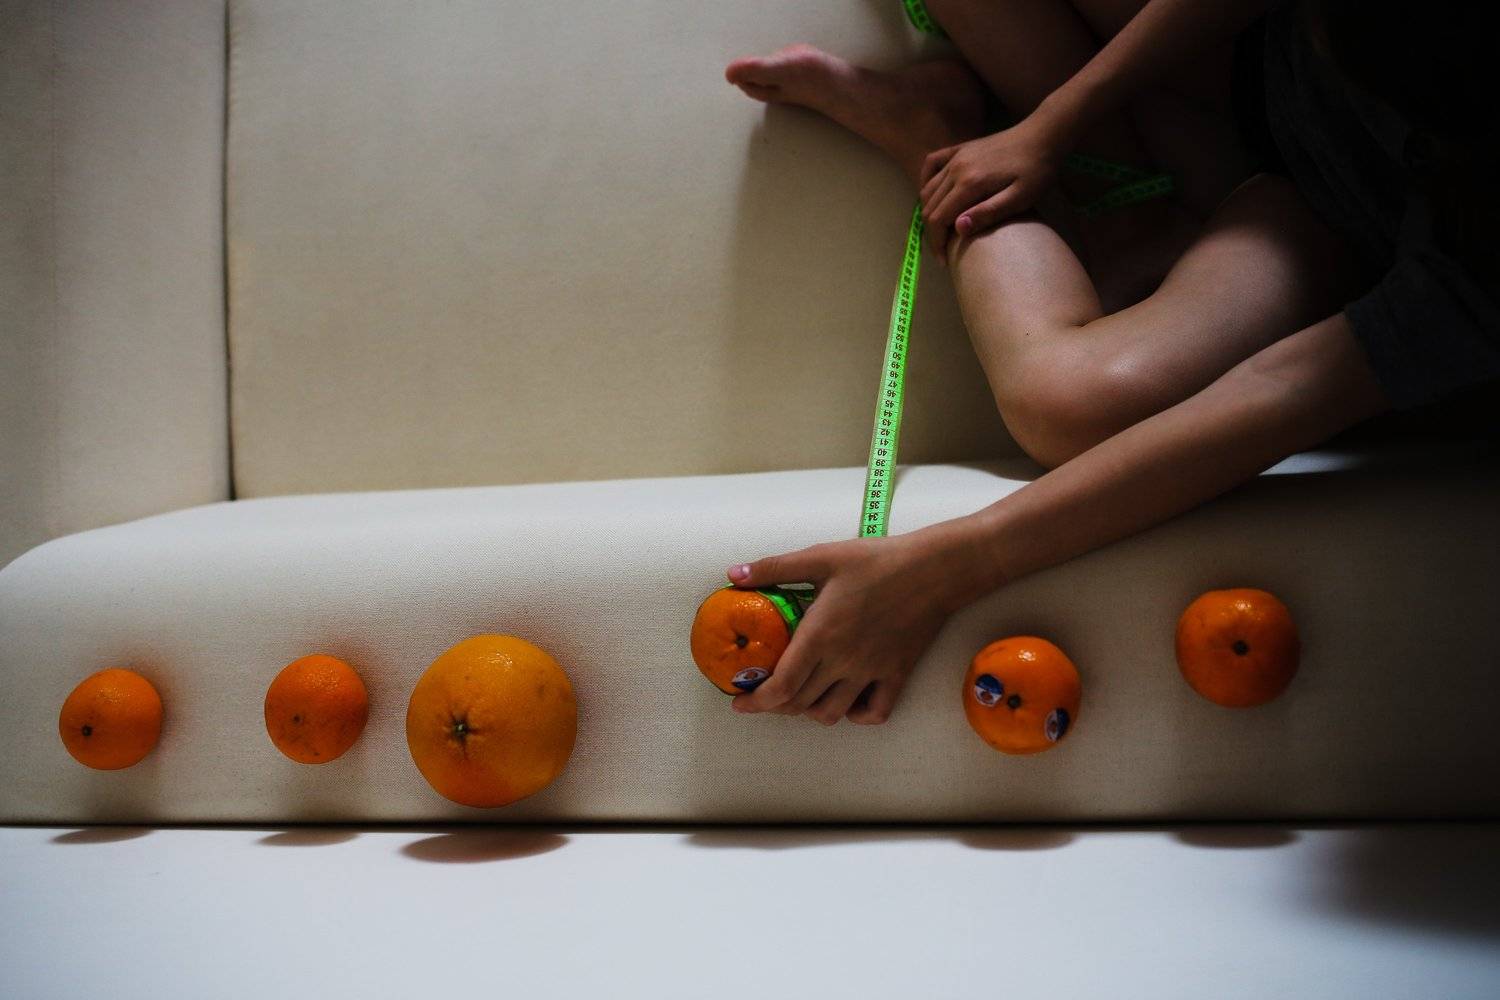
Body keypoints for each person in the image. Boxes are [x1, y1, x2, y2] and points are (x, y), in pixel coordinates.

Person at [719, 0, 1499, 726]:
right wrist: (1051, 126)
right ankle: (1139, 212)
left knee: (1064, 406)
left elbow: (1287, 390)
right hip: (1248, 50)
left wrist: (936, 571)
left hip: (1331, 218)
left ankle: (932, 134)